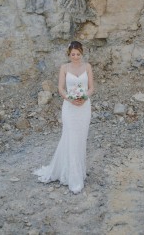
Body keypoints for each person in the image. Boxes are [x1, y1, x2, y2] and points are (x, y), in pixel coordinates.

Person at [34, 41, 94, 194]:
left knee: (80, 139)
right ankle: (74, 179)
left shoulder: (87, 67)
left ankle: (78, 171)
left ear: (82, 53)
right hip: (69, 107)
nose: (75, 57)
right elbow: (60, 88)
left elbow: (91, 87)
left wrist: (84, 97)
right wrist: (70, 98)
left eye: (78, 54)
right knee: (70, 138)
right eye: (73, 54)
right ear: (69, 54)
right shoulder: (64, 68)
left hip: (84, 108)